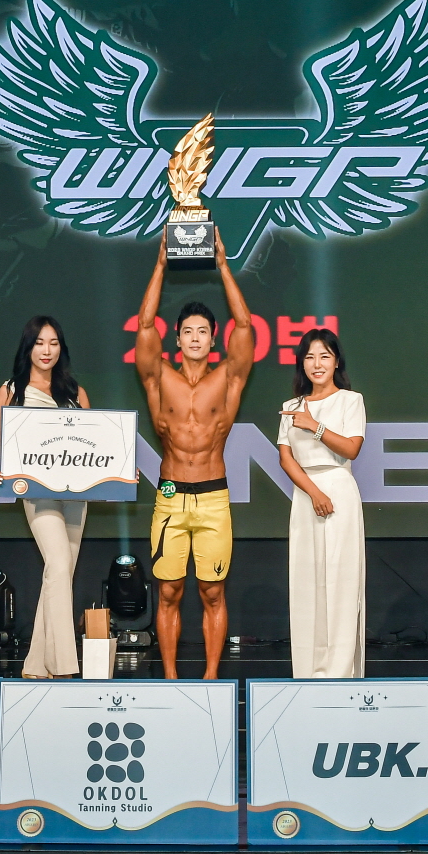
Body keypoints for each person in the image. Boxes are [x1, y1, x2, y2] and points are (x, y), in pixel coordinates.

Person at [133, 229, 255, 679]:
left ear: (212, 339)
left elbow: (245, 326)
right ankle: (169, 678)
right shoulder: (158, 378)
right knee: (168, 591)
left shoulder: (227, 379)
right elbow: (145, 326)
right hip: (170, 497)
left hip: (212, 498)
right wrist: (161, 265)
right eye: (188, 331)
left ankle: (210, 679)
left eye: (204, 331)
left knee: (212, 592)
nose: (196, 337)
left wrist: (222, 264)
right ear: (178, 339)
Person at [0, 316, 90, 679]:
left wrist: (121, 471)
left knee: (60, 575)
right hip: (37, 493)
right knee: (58, 565)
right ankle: (63, 666)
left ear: (62, 348)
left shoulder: (75, 393)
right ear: (28, 347)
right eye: (40, 343)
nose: (47, 350)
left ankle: (35, 666)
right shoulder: (11, 392)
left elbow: (98, 444)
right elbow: (0, 446)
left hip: (77, 495)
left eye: (54, 343)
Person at [277, 329, 366, 678]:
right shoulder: (290, 407)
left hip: (339, 489)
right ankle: (308, 672)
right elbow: (286, 458)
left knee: (341, 580)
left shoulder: (350, 400)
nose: (317, 363)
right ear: (302, 363)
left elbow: (351, 448)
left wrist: (315, 427)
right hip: (305, 495)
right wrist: (313, 492)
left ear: (336, 362)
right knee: (306, 581)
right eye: (310, 356)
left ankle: (340, 672)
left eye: (324, 356)